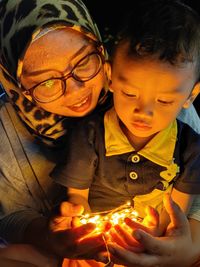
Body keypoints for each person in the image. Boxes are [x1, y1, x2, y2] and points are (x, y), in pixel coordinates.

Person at [0, 0, 200, 266]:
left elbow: (187, 212)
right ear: (15, 83)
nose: (75, 91)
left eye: (83, 62)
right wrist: (54, 234)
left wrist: (185, 250)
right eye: (46, 81)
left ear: (102, 55)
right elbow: (9, 218)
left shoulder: (168, 98)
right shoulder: (10, 133)